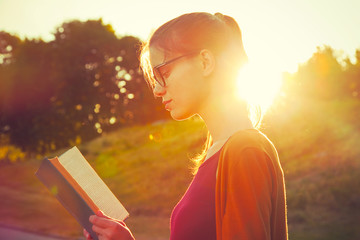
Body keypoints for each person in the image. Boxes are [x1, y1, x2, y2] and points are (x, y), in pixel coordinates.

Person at [84, 12, 288, 240]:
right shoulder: (218, 150)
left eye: (164, 72)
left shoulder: (245, 150)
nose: (157, 90)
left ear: (205, 62)